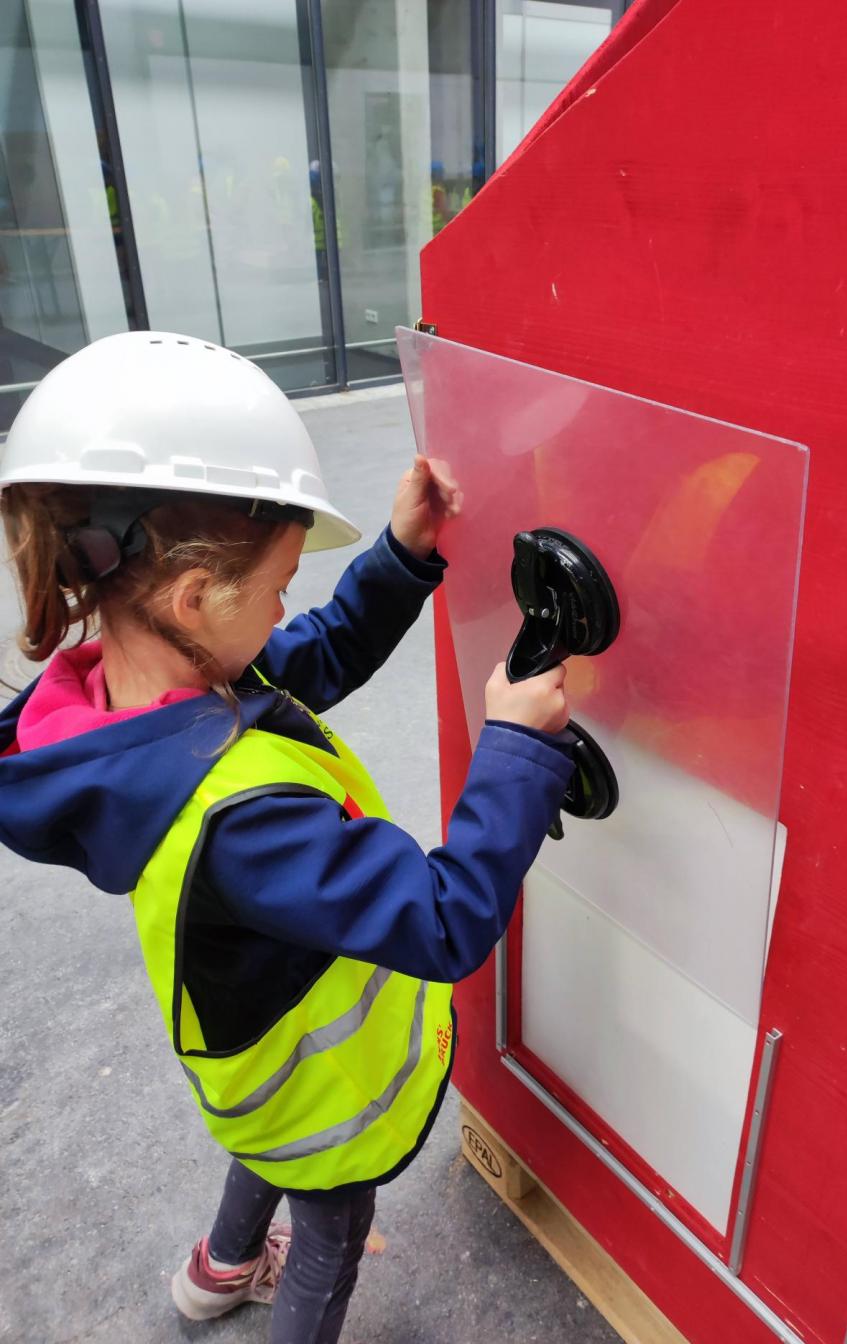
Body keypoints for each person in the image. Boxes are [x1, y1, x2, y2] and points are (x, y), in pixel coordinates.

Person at [0, 332, 573, 1343]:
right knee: (329, 1231)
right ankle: (250, 1288)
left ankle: (214, 1274)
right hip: (317, 1090)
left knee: (263, 1151)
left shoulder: (123, 695)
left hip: (249, 1058)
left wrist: (401, 556)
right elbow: (443, 922)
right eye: (272, 593)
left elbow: (322, 650)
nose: (280, 616)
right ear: (192, 601)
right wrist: (518, 754)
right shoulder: (242, 819)